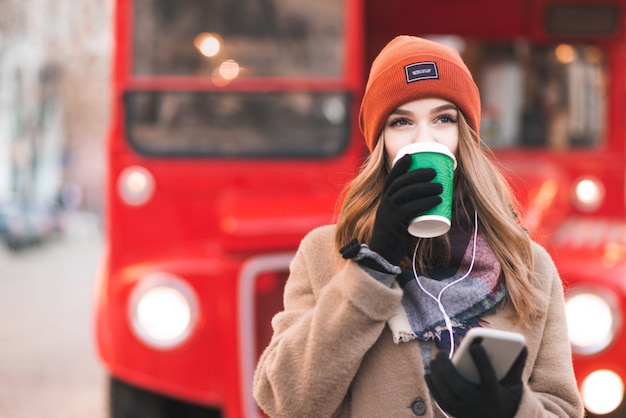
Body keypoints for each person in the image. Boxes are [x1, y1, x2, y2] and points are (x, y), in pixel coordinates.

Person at [253, 35, 584, 418]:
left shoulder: (528, 267)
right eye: (401, 122)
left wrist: (510, 410)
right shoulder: (323, 254)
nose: (424, 138)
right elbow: (283, 401)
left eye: (444, 119)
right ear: (381, 144)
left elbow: (561, 409)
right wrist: (372, 267)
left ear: (466, 138)